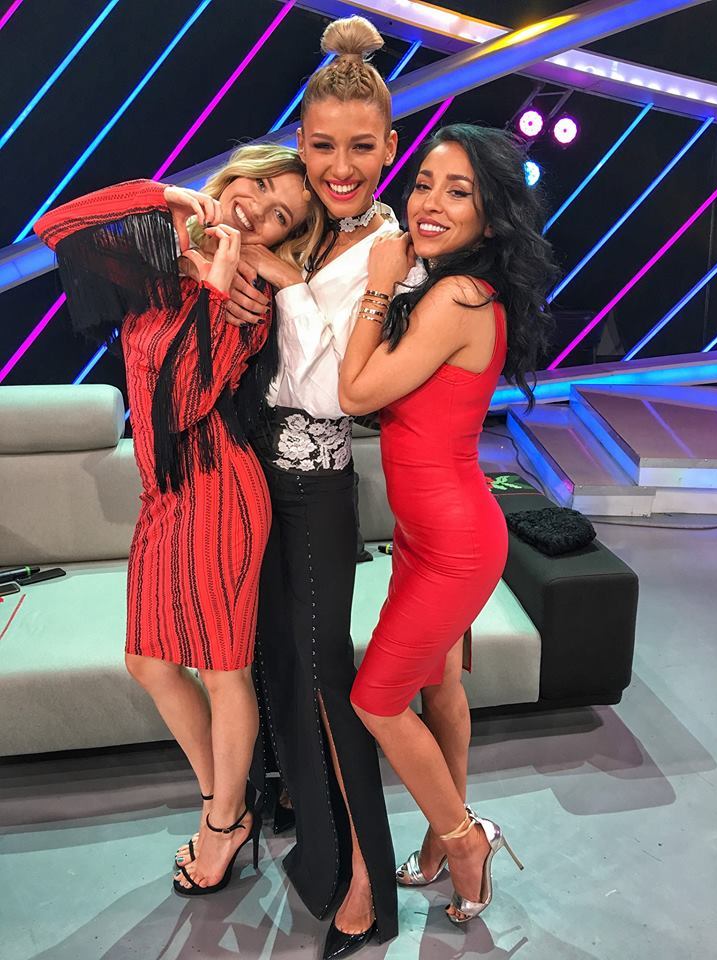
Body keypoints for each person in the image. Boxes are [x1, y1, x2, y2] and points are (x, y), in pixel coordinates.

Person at [34, 144, 321, 897]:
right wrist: (163, 196)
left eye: (280, 215)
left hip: (218, 491)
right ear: (237, 174)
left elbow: (182, 402)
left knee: (223, 671)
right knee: (149, 661)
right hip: (165, 496)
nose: (258, 207)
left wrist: (217, 286)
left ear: (281, 240)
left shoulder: (247, 300)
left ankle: (224, 822)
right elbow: (56, 226)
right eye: (260, 184)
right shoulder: (156, 262)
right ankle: (226, 802)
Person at [339, 124, 556, 925]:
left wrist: (378, 284)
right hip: (428, 534)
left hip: (455, 545)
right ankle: (440, 839)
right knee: (439, 686)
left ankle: (465, 840)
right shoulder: (454, 289)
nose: (429, 202)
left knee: (375, 699)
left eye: (457, 191)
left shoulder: (457, 297)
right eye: (424, 183)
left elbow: (357, 393)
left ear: (490, 218)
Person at [222, 16, 404, 960]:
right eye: (324, 145)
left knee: (332, 683)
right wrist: (249, 267)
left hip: (320, 488)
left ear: (390, 146)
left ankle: (370, 883)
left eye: (360, 147)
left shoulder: (389, 251)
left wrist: (277, 280)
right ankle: (315, 847)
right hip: (257, 480)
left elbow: (339, 393)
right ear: (301, 141)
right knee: (282, 669)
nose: (341, 166)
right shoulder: (315, 227)